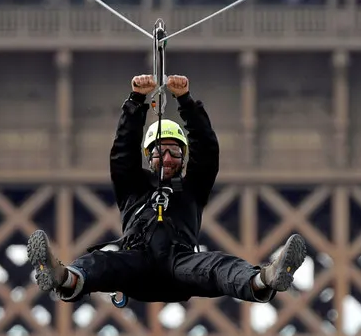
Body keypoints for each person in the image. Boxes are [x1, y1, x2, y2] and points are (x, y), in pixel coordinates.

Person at [27, 74, 306, 305]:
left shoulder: (192, 189)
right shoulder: (132, 189)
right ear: (149, 156)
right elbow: (123, 152)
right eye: (161, 152)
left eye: (174, 152)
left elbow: (207, 151)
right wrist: (136, 100)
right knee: (101, 262)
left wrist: (184, 100)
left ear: (183, 157)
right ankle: (63, 278)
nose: (168, 158)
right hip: (137, 263)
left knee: (220, 266)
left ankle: (266, 279)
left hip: (180, 264)